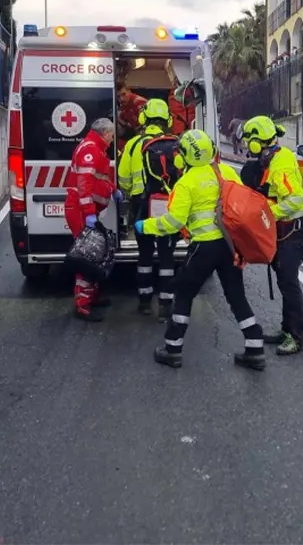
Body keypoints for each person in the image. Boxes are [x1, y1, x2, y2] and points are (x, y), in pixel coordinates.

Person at [134, 129, 267, 371]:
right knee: (236, 296)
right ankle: (255, 347)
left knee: (184, 294)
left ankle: (172, 349)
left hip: (203, 249)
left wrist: (145, 226)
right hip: (229, 247)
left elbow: (173, 223)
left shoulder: (186, 183)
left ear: (182, 157)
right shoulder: (226, 172)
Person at [240, 115, 303, 355]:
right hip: (282, 230)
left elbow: (297, 202)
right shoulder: (271, 160)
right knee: (283, 282)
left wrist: (268, 212)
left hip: (291, 229)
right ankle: (286, 329)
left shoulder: (281, 165)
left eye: (249, 141)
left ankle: (296, 337)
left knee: (289, 284)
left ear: (258, 142)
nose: (248, 146)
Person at [119, 98, 179, 319]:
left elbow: (122, 178)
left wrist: (131, 193)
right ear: (168, 120)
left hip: (142, 205)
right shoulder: (176, 144)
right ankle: (166, 304)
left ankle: (144, 301)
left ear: (143, 118)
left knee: (144, 254)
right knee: (167, 256)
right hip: (168, 205)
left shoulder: (134, 145)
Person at [64, 118, 123, 322]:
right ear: (105, 133)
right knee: (86, 256)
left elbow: (100, 177)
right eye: (112, 135)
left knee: (94, 253)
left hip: (87, 210)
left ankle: (92, 296)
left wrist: (113, 190)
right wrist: (89, 211)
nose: (113, 138)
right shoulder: (90, 149)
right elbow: (84, 184)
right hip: (80, 210)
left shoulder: (96, 149)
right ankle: (82, 304)